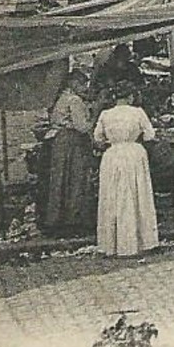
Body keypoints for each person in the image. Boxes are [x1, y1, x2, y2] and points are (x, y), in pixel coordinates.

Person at [91, 83, 159, 257]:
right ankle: (140, 242)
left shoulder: (105, 115)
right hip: (134, 154)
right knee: (136, 195)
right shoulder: (138, 112)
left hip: (113, 155)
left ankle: (113, 244)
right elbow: (150, 135)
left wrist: (112, 140)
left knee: (114, 197)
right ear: (130, 96)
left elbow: (98, 138)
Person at [40, 70, 97, 236]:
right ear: (73, 83)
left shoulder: (62, 98)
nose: (84, 88)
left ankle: (56, 219)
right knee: (75, 178)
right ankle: (73, 220)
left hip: (59, 141)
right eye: (81, 84)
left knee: (60, 179)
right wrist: (95, 116)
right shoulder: (74, 100)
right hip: (71, 141)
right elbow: (82, 127)